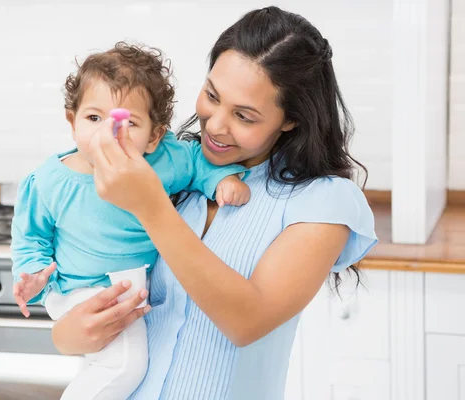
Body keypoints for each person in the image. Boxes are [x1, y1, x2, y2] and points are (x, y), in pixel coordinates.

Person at [49, 6, 379, 400]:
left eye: (244, 115)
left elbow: (246, 321)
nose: (215, 124)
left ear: (290, 119)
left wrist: (150, 207)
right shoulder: (173, 167)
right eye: (211, 96)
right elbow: (92, 286)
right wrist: (67, 334)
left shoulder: (323, 202)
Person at [10, 42, 251, 400]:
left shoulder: (165, 160)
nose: (108, 133)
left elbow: (200, 164)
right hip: (78, 289)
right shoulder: (49, 180)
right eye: (94, 118)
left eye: (127, 122)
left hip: (130, 287)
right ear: (71, 120)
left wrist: (221, 182)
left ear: (154, 136)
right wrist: (31, 277)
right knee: (124, 366)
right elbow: (30, 238)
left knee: (109, 367)